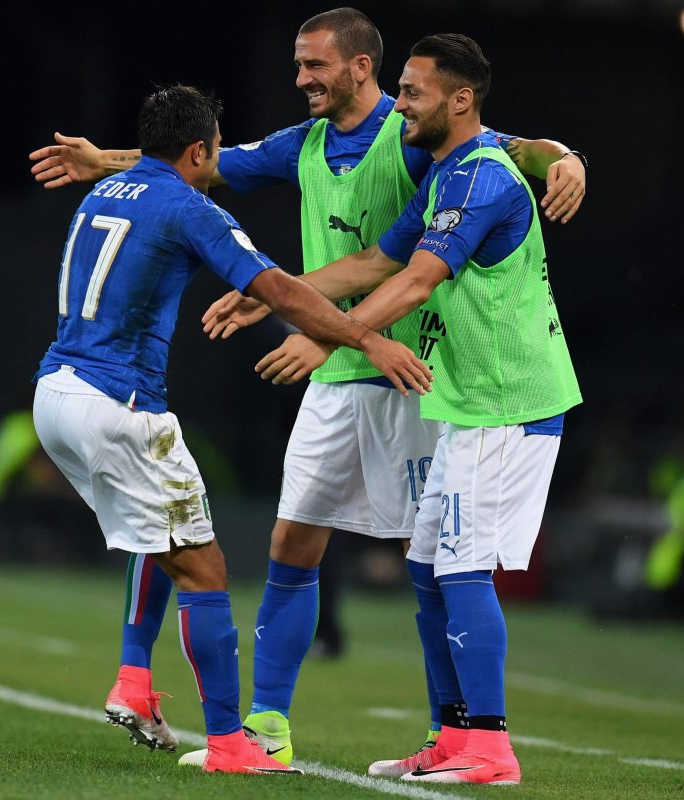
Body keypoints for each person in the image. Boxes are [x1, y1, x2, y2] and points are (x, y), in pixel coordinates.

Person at [29, 8, 587, 767]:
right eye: (296, 65)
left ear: (362, 68)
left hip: (414, 373)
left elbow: (501, 155)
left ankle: (456, 731)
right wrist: (113, 161)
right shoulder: (307, 144)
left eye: (314, 66)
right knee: (295, 541)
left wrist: (567, 156)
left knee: (438, 562)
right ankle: (270, 725)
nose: (300, 80)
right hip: (339, 370)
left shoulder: (420, 135)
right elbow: (201, 164)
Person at [30, 83, 431, 775]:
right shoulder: (192, 207)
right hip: (117, 404)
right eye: (213, 147)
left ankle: (134, 677)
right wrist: (365, 340)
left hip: (54, 394)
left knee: (158, 534)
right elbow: (281, 291)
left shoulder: (108, 190)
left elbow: (163, 187)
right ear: (198, 149)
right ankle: (228, 744)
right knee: (203, 563)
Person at [232, 32, 582, 784]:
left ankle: (490, 746)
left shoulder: (481, 178)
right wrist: (277, 295)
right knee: (428, 563)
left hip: (507, 403)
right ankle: (453, 738)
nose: (401, 104)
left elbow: (418, 281)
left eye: (414, 92)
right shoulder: (445, 173)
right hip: (468, 403)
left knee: (458, 568)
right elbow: (374, 262)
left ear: (459, 101)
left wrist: (333, 340)